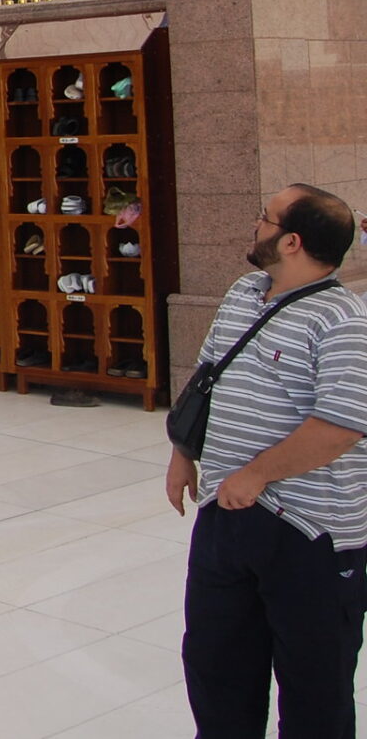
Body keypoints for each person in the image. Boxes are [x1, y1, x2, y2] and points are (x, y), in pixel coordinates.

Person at [169, 182, 367, 737]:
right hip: (224, 518)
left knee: (315, 690)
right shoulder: (243, 292)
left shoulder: (343, 321)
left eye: (266, 218)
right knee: (216, 669)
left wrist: (256, 475)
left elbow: (341, 426)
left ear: (292, 241)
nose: (255, 224)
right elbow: (207, 376)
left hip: (309, 534)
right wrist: (185, 453)